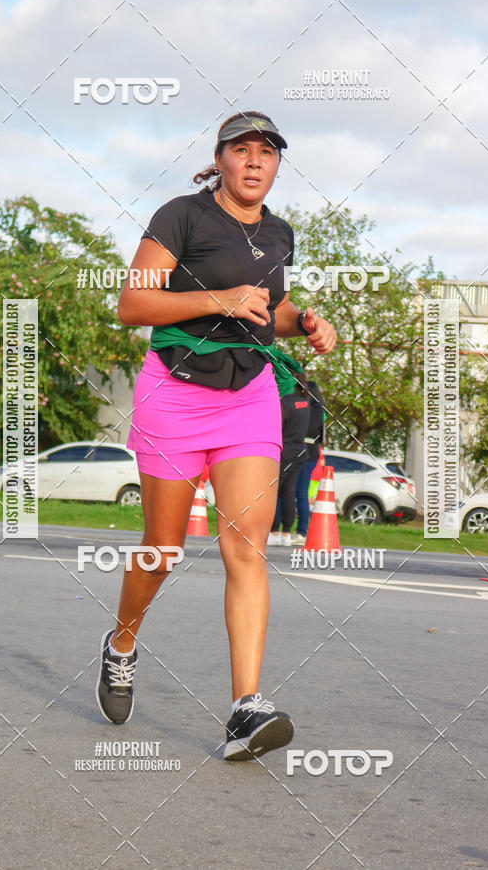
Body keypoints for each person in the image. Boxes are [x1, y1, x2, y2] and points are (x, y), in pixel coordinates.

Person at [95, 111, 336, 761]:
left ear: (278, 164)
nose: (255, 161)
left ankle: (244, 710)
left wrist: (303, 321)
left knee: (245, 548)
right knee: (163, 547)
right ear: (220, 159)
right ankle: (122, 643)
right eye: (242, 150)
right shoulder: (183, 216)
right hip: (175, 392)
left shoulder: (280, 234)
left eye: (267, 152)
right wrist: (218, 298)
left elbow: (268, 309)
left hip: (250, 395)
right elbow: (134, 304)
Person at [268, 374, 311, 547]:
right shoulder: (306, 402)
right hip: (300, 450)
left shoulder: (284, 402)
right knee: (289, 493)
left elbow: (276, 425)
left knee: (273, 491)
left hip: (284, 450)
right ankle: (286, 533)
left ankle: (274, 531)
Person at [292, 379, 325, 545]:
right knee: (296, 492)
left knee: (301, 492)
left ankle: (302, 531)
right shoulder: (314, 409)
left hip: (307, 451)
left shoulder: (314, 410)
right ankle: (297, 529)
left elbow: (308, 430)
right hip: (306, 451)